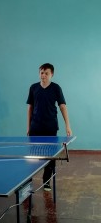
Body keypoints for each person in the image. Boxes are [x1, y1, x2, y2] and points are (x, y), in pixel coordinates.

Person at [26, 63, 72, 191]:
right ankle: (28, 181)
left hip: (50, 127)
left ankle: (46, 181)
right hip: (35, 127)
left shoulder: (56, 88)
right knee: (32, 156)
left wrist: (68, 126)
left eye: (46, 73)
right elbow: (30, 108)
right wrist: (28, 127)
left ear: (52, 74)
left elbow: (63, 107)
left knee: (50, 156)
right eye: (41, 73)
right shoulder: (33, 88)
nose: (43, 75)